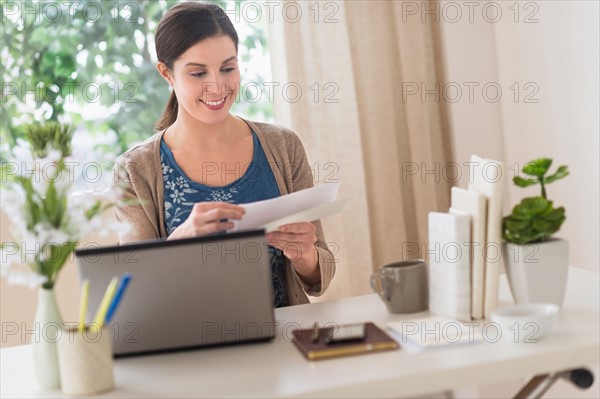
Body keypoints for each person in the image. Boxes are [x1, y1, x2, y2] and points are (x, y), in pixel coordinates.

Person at [111, 1, 335, 307]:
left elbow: (318, 278)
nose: (217, 86)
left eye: (227, 68)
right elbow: (134, 292)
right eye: (198, 73)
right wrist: (180, 242)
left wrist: (303, 254)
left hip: (285, 340)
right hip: (192, 347)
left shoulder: (283, 146)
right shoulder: (135, 170)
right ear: (167, 73)